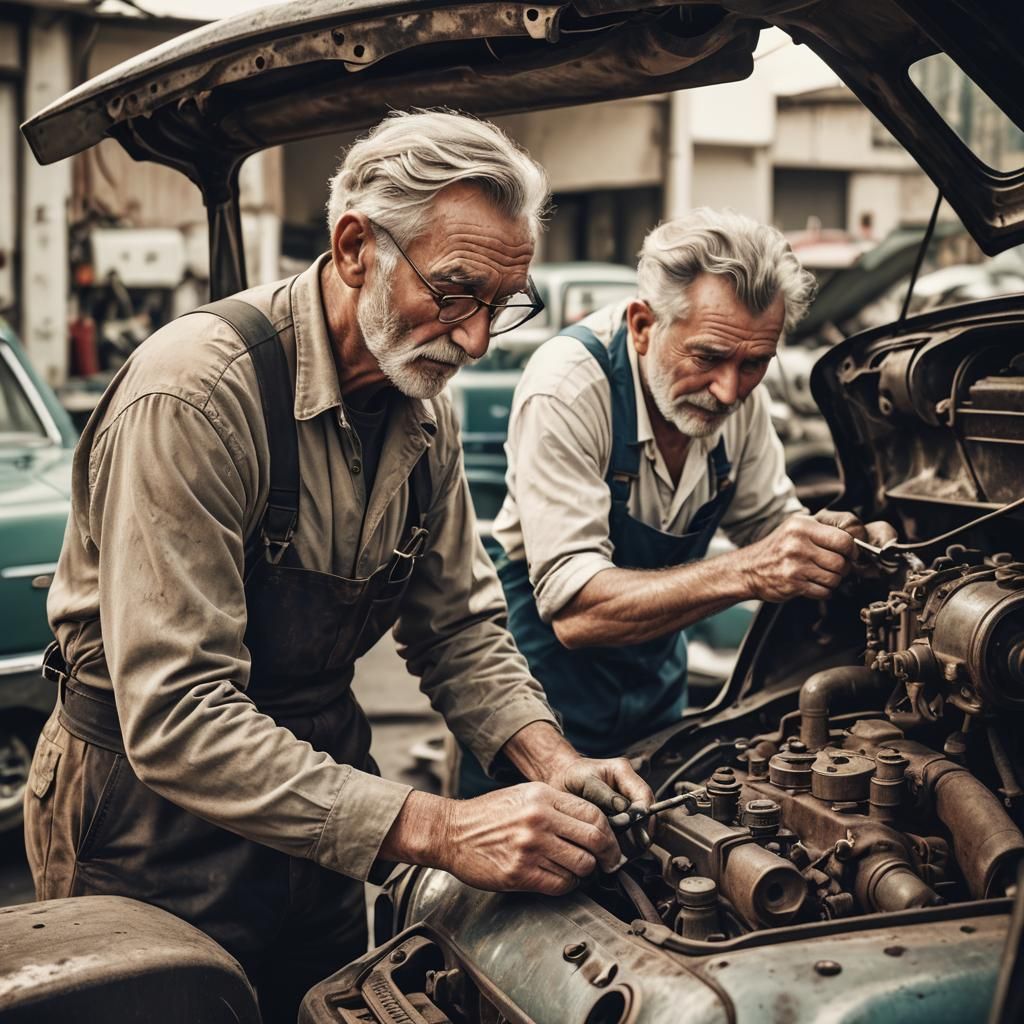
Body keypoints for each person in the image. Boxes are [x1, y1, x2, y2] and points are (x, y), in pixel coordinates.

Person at [24, 110, 650, 1023]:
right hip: (146, 823)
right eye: (456, 292)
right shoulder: (194, 396)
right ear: (356, 248)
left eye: (502, 303)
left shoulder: (420, 410)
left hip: (320, 812)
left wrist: (550, 759)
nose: (477, 340)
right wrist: (441, 826)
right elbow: (177, 713)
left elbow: (458, 627)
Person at [457, 208, 894, 795]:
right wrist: (750, 571)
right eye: (707, 357)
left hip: (656, 697)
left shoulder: (738, 400)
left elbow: (771, 525)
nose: (729, 391)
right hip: (537, 709)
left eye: (754, 364)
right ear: (643, 325)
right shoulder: (568, 386)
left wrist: (829, 543)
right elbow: (576, 613)